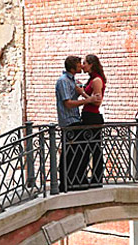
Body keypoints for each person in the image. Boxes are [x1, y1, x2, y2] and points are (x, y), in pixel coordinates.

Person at [55, 55, 100, 191]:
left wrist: (81, 92)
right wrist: (87, 100)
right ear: (73, 66)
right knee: (71, 153)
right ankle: (67, 183)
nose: (81, 66)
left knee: (78, 152)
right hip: (69, 122)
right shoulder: (63, 81)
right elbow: (68, 103)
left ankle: (76, 181)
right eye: (79, 64)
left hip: (75, 120)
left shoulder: (71, 81)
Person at [76, 54, 106, 187]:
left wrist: (82, 93)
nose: (83, 66)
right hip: (88, 115)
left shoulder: (96, 81)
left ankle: (96, 179)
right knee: (87, 148)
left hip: (92, 116)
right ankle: (85, 178)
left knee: (94, 148)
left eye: (85, 63)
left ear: (91, 64)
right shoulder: (92, 79)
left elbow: (97, 102)